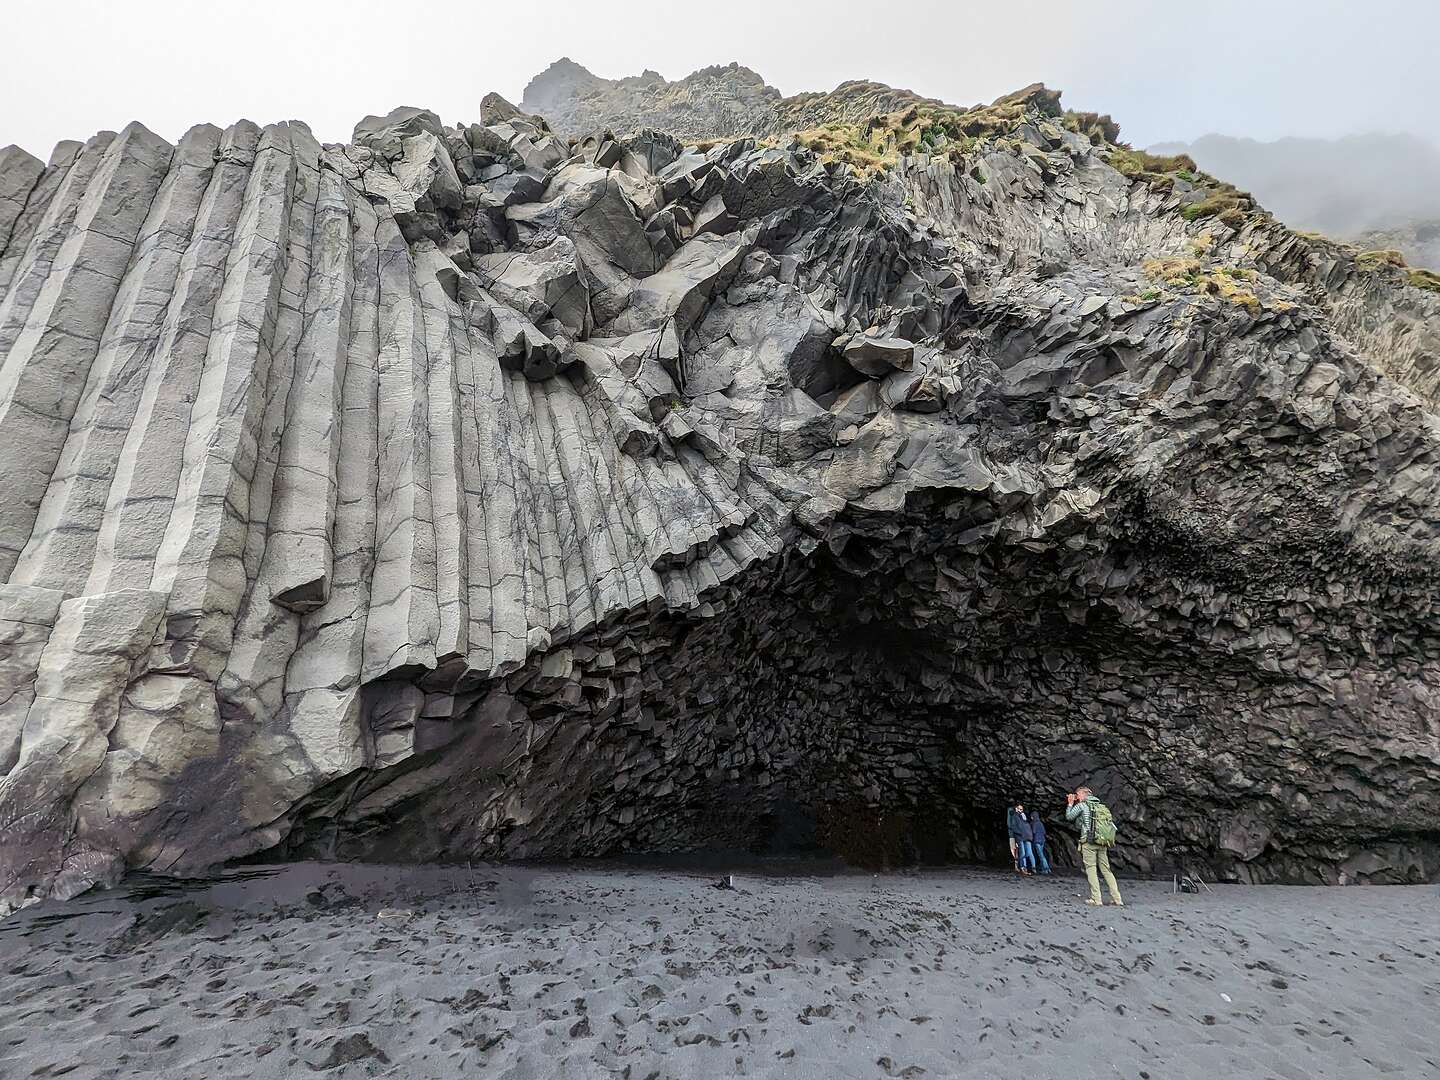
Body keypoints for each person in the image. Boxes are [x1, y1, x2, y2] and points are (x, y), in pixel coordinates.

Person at [1066, 785, 1123, 906]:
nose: (1077, 797)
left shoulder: (1082, 805)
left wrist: (1070, 803)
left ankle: (1096, 898)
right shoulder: (1101, 806)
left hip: (1089, 841)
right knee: (1106, 870)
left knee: (1091, 869)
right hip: (1102, 841)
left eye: (1078, 795)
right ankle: (1117, 898)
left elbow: (1069, 816)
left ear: (1083, 794)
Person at [1007, 803, 1035, 874]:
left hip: (1024, 837)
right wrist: (1020, 833)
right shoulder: (1015, 816)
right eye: (1019, 809)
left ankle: (1024, 867)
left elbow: (1027, 826)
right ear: (1016, 809)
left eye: (1022, 809)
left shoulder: (1023, 817)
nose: (1021, 810)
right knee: (1022, 852)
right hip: (1019, 837)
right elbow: (1013, 826)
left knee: (1026, 853)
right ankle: (1022, 867)